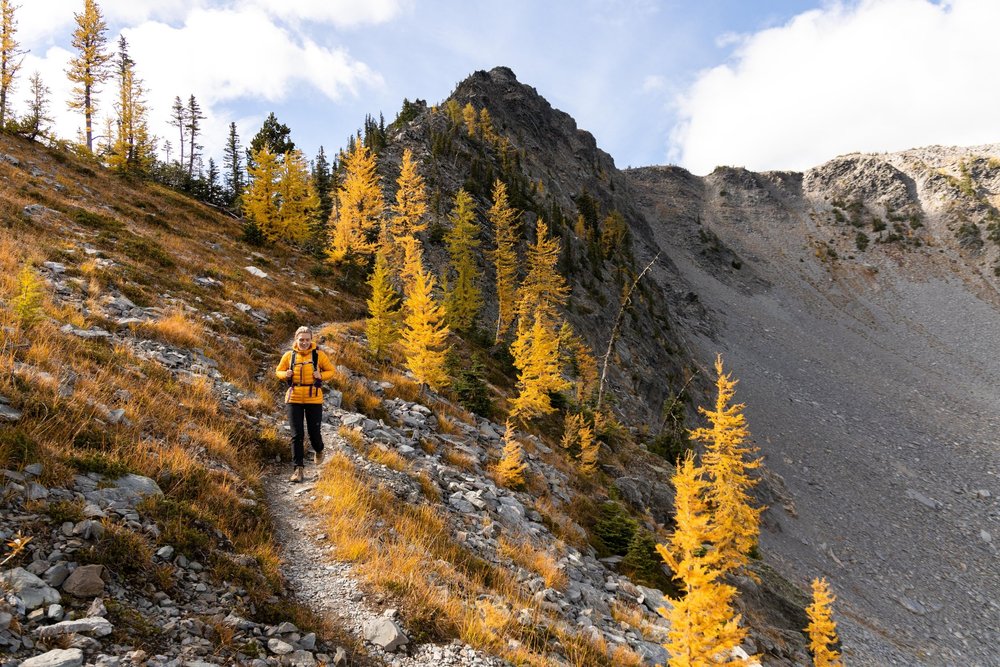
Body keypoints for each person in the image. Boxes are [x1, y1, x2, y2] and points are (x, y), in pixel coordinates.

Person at [275, 326, 335, 482]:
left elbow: (331, 371)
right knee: (297, 435)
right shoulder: (289, 356)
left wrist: (320, 375)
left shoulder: (318, 355)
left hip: (313, 398)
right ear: (296, 340)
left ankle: (319, 449)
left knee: (314, 433)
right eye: (301, 340)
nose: (304, 343)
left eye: (307, 340)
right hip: (293, 397)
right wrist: (284, 374)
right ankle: (298, 470)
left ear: (311, 340)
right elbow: (278, 371)